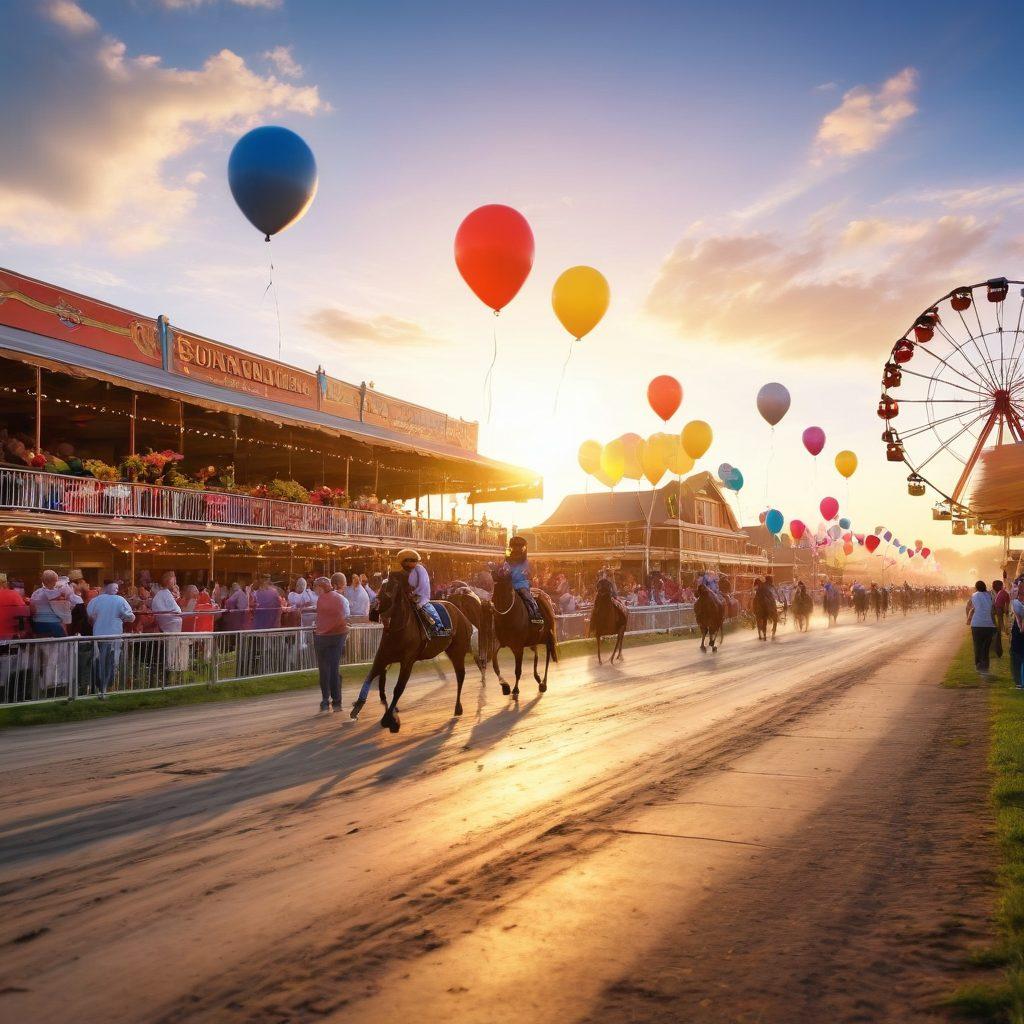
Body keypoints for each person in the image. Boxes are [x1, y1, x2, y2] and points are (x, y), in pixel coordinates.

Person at [87, 580, 135, 698]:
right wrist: (126, 617)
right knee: (110, 662)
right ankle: (105, 688)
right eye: (116, 588)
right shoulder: (120, 600)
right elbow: (130, 616)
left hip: (98, 634)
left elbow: (90, 615)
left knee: (99, 661)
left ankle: (100, 688)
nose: (117, 590)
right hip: (113, 635)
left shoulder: (95, 600)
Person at [312, 576, 348, 712]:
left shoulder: (320, 600)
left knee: (324, 670)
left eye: (316, 588)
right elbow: (346, 614)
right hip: (338, 636)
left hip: (322, 637)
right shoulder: (341, 599)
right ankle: (337, 702)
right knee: (334, 669)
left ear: (321, 588)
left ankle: (325, 701)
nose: (315, 591)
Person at [398, 550, 445, 635]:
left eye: (408, 561)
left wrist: (414, 593)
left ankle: (438, 626)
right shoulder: (405, 571)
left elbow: (423, 583)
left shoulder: (419, 569)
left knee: (423, 606)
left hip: (420, 594)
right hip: (408, 595)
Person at [151, 572, 187, 677]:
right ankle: (170, 669)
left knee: (172, 649)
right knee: (171, 650)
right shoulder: (165, 594)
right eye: (173, 579)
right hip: (170, 626)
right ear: (168, 581)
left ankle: (171, 668)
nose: (175, 582)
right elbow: (176, 610)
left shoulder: (164, 594)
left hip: (170, 625)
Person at [505, 536, 542, 622]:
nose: (516, 549)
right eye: (514, 546)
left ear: (522, 548)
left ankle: (536, 616)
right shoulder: (507, 561)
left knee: (528, 597)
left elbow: (530, 574)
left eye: (519, 547)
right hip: (509, 586)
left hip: (521, 585)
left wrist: (528, 575)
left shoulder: (526, 562)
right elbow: (504, 571)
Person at [967, 580, 997, 674]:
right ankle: (986, 665)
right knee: (986, 647)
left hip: (977, 624)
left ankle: (979, 665)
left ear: (976, 587)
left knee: (977, 645)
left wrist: (968, 618)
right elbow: (993, 610)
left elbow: (970, 607)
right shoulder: (990, 596)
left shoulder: (974, 595)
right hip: (988, 625)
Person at [1011, 598, 1024, 690]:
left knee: (1018, 656)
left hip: (1019, 634)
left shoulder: (1016, 603)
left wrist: (1021, 627)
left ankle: (1020, 683)